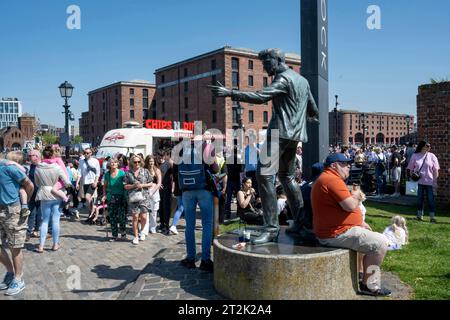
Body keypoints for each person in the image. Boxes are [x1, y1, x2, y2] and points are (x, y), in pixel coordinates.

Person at [210, 48, 319, 244]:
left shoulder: (283, 79)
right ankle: (302, 223)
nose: (265, 67)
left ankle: (271, 228)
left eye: (267, 63)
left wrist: (230, 92)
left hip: (279, 133)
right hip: (295, 135)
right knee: (287, 176)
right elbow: (313, 110)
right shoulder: (303, 81)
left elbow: (261, 96)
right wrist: (300, 117)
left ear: (278, 60)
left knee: (264, 174)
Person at [311, 153, 391, 297]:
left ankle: (361, 274)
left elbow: (339, 209)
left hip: (336, 230)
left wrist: (359, 221)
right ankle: (369, 285)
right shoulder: (331, 179)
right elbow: (349, 205)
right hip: (335, 234)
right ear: (334, 165)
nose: (348, 166)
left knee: (371, 239)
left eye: (348, 163)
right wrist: (357, 194)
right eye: (344, 163)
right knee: (381, 243)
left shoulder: (327, 178)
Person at [178, 133, 219, 272]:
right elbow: (215, 169)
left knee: (189, 225)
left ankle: (190, 259)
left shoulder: (182, 148)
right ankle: (205, 260)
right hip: (203, 189)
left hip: (187, 190)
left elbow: (175, 168)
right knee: (207, 225)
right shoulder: (205, 146)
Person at [0, 152, 34, 296]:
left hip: (13, 210)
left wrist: (24, 205)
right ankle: (9, 272)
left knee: (15, 246)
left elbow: (29, 185)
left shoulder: (9, 168)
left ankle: (18, 279)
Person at [34, 146, 72, 253]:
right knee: (56, 221)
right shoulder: (57, 167)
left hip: (44, 194)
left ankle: (41, 246)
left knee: (44, 221)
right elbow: (67, 181)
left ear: (43, 155)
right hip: (56, 195)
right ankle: (55, 244)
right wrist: (58, 186)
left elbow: (37, 183)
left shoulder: (38, 167)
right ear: (52, 155)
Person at [406, 141, 440, 223]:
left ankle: (432, 217)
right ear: (422, 146)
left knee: (431, 200)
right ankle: (419, 215)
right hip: (418, 182)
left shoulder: (432, 156)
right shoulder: (415, 155)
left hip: (429, 182)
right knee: (419, 199)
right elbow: (410, 168)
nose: (429, 147)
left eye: (429, 146)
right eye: (427, 146)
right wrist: (412, 177)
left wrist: (435, 181)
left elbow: (436, 170)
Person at [124, 155, 152, 245]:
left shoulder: (145, 171)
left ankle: (142, 232)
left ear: (141, 162)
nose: (137, 164)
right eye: (135, 162)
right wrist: (133, 186)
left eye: (138, 162)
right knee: (135, 217)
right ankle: (136, 236)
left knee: (144, 217)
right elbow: (125, 186)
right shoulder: (128, 173)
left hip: (144, 197)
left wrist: (142, 185)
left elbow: (151, 183)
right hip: (133, 198)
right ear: (131, 162)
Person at [102, 158, 126, 241]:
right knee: (112, 217)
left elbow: (125, 186)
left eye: (115, 162)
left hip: (121, 197)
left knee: (121, 217)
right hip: (111, 197)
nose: (113, 164)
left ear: (118, 163)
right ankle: (114, 235)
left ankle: (123, 232)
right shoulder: (107, 174)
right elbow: (104, 186)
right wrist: (104, 195)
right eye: (111, 162)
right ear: (109, 164)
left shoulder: (122, 173)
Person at [76, 148, 101, 214]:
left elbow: (98, 172)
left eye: (88, 153)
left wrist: (96, 182)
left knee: (87, 197)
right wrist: (77, 183)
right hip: (85, 182)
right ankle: (92, 213)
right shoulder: (81, 161)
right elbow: (79, 172)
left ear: (91, 153)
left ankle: (92, 212)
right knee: (89, 200)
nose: (86, 154)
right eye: (85, 153)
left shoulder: (95, 161)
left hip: (92, 182)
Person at [143, 155, 162, 235]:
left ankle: (153, 227)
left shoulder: (157, 170)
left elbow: (159, 183)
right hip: (146, 191)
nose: (151, 163)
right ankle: (145, 228)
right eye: (150, 161)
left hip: (154, 192)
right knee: (146, 211)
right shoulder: (144, 170)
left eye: (152, 161)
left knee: (154, 211)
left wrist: (153, 191)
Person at [225, 145, 243, 220]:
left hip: (230, 179)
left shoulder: (228, 159)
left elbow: (226, 170)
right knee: (239, 197)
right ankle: (239, 212)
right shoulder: (238, 160)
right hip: (237, 180)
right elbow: (240, 170)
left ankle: (228, 213)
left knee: (228, 198)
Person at [158, 151, 174, 235]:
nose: (160, 158)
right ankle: (161, 223)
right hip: (158, 189)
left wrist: (173, 188)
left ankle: (166, 225)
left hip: (167, 189)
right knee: (160, 208)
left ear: (164, 156)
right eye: (159, 156)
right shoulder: (156, 164)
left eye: (162, 156)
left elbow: (173, 175)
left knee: (166, 207)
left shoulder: (168, 164)